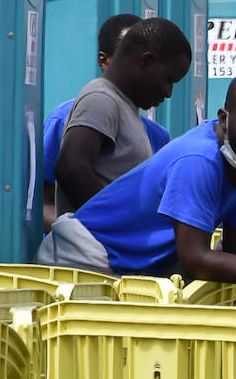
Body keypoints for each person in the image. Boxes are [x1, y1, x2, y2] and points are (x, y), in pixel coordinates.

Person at [36, 69, 236, 288]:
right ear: (225, 119)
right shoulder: (199, 161)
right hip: (85, 261)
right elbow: (196, 259)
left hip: (128, 268)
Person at [42, 13, 170, 231]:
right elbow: (45, 197)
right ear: (104, 60)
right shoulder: (70, 117)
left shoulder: (156, 135)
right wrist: (107, 233)